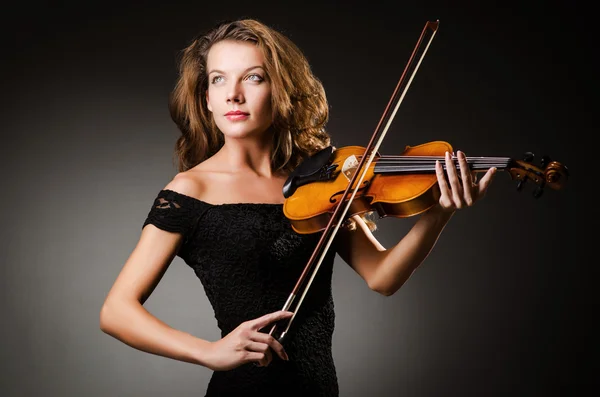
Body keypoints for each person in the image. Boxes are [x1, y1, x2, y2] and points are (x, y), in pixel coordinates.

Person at [99, 18, 496, 397]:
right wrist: (208, 352)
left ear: (281, 89)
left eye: (253, 77)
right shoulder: (191, 189)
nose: (233, 94)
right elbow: (116, 311)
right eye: (218, 79)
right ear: (206, 97)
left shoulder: (320, 180)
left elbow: (383, 277)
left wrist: (440, 211)